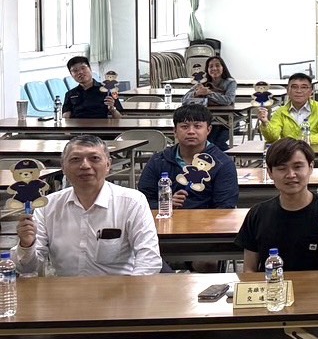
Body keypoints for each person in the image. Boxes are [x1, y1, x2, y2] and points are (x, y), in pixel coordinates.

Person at [15, 135, 161, 276]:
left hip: (119, 289)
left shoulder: (132, 202)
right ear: (63, 167)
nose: (85, 165)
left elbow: (149, 259)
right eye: (75, 159)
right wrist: (26, 245)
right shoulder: (47, 206)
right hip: (66, 290)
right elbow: (27, 269)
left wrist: (133, 289)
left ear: (108, 165)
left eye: (94, 158)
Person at [236, 139, 318, 272]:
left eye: (298, 167)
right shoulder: (258, 214)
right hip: (273, 284)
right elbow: (249, 269)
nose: (291, 175)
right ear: (270, 173)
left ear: (311, 167)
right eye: (281, 168)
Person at [138, 104, 238, 210]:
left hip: (207, 219)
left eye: (197, 126)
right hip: (166, 218)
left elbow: (225, 206)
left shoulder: (223, 163)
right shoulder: (158, 160)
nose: (191, 132)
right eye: (184, 127)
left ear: (208, 130)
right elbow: (143, 201)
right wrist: (166, 204)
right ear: (175, 131)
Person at [260, 72, 318, 144]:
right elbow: (272, 138)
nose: (299, 91)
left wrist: (306, 140)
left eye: (304, 87)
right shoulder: (280, 112)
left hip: (314, 149)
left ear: (311, 91)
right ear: (288, 90)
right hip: (289, 150)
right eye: (294, 87)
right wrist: (265, 123)